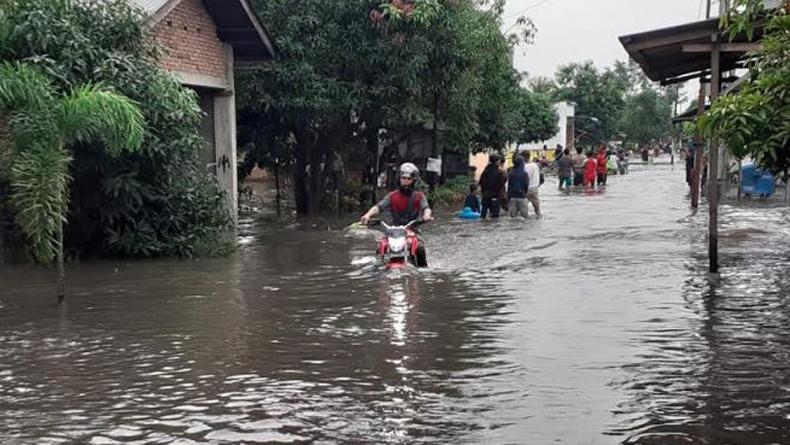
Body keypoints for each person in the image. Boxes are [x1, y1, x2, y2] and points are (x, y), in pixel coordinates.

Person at [360, 162, 433, 267]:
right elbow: (378, 207)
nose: (405, 181)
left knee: (420, 247)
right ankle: (377, 271)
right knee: (380, 248)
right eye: (403, 178)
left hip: (413, 231)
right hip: (393, 231)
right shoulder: (392, 196)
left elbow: (426, 208)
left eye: (408, 179)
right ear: (399, 179)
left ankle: (423, 270)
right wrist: (367, 215)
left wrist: (427, 215)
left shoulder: (419, 196)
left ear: (413, 181)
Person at [478, 154, 507, 219]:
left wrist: (483, 192)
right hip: (495, 196)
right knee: (495, 217)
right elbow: (502, 184)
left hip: (485, 196)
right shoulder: (500, 172)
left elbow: (481, 182)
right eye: (499, 161)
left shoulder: (485, 171)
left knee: (483, 216)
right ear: (496, 162)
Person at [524, 151, 542, 216]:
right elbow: (540, 176)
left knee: (524, 207)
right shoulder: (535, 165)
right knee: (537, 208)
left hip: (525, 189)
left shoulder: (524, 167)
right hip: (534, 189)